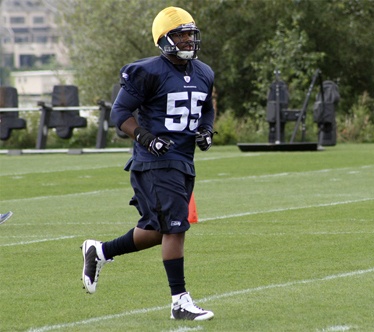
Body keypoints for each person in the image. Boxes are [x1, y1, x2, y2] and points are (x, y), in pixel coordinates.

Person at [81, 6, 215, 321]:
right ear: (165, 39)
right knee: (176, 229)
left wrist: (206, 131)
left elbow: (207, 107)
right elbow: (119, 114)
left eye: (190, 34)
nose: (187, 40)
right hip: (154, 162)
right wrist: (146, 138)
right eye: (181, 34)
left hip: (182, 160)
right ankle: (179, 302)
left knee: (157, 231)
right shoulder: (148, 71)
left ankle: (99, 251)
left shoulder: (204, 72)